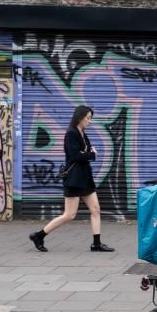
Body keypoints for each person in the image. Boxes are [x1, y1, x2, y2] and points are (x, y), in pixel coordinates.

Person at [28, 105, 112, 253]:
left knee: (95, 209)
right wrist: (91, 154)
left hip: (85, 178)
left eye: (91, 118)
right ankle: (39, 235)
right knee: (69, 215)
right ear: (79, 117)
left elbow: (84, 151)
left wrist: (88, 152)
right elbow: (75, 155)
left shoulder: (82, 133)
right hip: (74, 179)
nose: (90, 121)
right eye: (88, 118)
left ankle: (96, 243)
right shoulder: (71, 134)